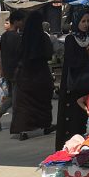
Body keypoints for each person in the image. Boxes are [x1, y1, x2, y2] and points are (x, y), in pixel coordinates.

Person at [10, 10, 55, 138]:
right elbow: (49, 53)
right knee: (43, 103)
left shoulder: (24, 38)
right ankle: (46, 125)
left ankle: (23, 130)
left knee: (25, 105)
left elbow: (18, 55)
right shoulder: (43, 37)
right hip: (41, 75)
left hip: (26, 75)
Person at [59, 6, 89, 139]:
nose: (86, 24)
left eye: (88, 21)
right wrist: (87, 54)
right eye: (83, 21)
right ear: (76, 22)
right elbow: (72, 62)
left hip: (87, 85)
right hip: (73, 86)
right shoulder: (70, 39)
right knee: (73, 121)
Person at [0, 9, 25, 130]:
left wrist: (1, 68)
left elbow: (1, 54)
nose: (22, 23)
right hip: (16, 71)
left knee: (12, 96)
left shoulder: (4, 36)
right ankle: (16, 121)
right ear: (16, 21)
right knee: (17, 97)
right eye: (21, 21)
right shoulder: (16, 37)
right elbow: (19, 55)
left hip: (7, 70)